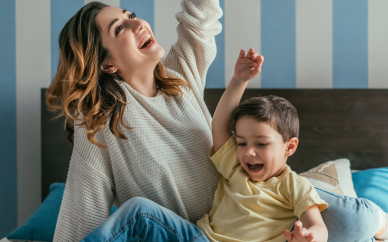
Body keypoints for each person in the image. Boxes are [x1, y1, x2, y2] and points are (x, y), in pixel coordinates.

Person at [46, 0, 388, 241]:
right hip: (199, 236)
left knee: (356, 220)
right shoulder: (100, 123)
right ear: (106, 64)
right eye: (120, 27)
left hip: (264, 206)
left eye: (131, 14)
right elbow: (83, 204)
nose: (139, 23)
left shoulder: (180, 75)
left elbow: (202, 14)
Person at [196, 49, 328, 242]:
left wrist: (310, 237)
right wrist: (239, 80)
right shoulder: (236, 168)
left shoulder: (294, 186)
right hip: (198, 237)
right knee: (142, 211)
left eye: (261, 143)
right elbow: (219, 125)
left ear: (289, 147)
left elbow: (318, 225)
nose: (248, 152)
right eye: (241, 143)